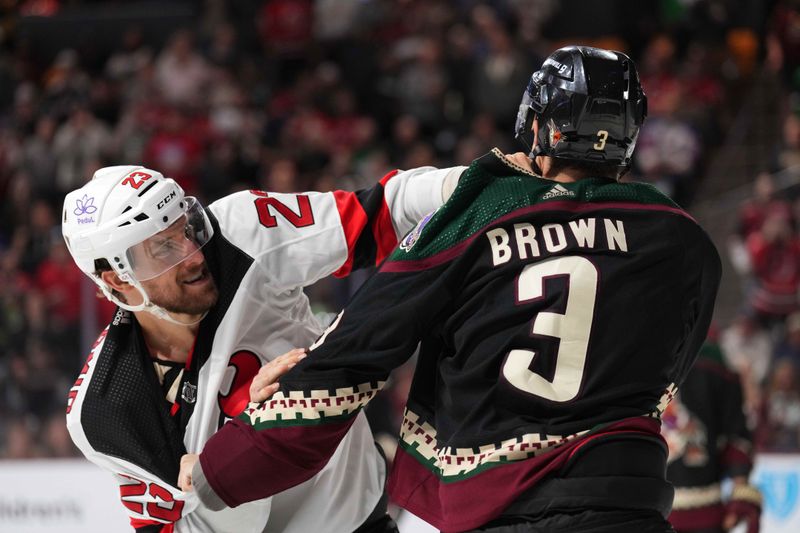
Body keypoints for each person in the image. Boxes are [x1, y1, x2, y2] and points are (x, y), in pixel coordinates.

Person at [181, 46, 722, 532]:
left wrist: (223, 468)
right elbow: (668, 372)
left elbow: (360, 348)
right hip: (630, 503)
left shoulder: (484, 208)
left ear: (538, 124)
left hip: (507, 506)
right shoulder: (682, 236)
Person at [62, 162, 462, 532]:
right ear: (117, 280)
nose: (192, 255)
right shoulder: (102, 410)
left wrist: (483, 181)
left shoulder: (240, 232)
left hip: (359, 522)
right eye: (162, 248)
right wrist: (248, 439)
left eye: (184, 229)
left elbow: (384, 210)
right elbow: (193, 521)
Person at [663, 340, 762, 533]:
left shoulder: (711, 362)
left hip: (704, 509)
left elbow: (734, 435)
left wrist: (739, 491)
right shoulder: (632, 360)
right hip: (647, 511)